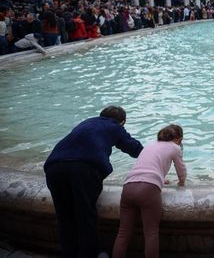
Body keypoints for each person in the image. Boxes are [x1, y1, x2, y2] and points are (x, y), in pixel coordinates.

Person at [44, 106, 144, 258]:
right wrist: (154, 154)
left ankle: (69, 254)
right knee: (85, 215)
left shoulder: (86, 122)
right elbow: (134, 148)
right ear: (122, 122)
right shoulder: (115, 127)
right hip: (84, 169)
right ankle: (90, 253)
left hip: (54, 168)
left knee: (64, 217)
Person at [112, 124, 186, 258]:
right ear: (179, 139)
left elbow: (147, 166)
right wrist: (181, 183)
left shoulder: (150, 145)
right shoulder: (175, 148)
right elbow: (181, 170)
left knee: (123, 233)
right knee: (151, 233)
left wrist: (161, 179)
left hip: (129, 186)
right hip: (149, 189)